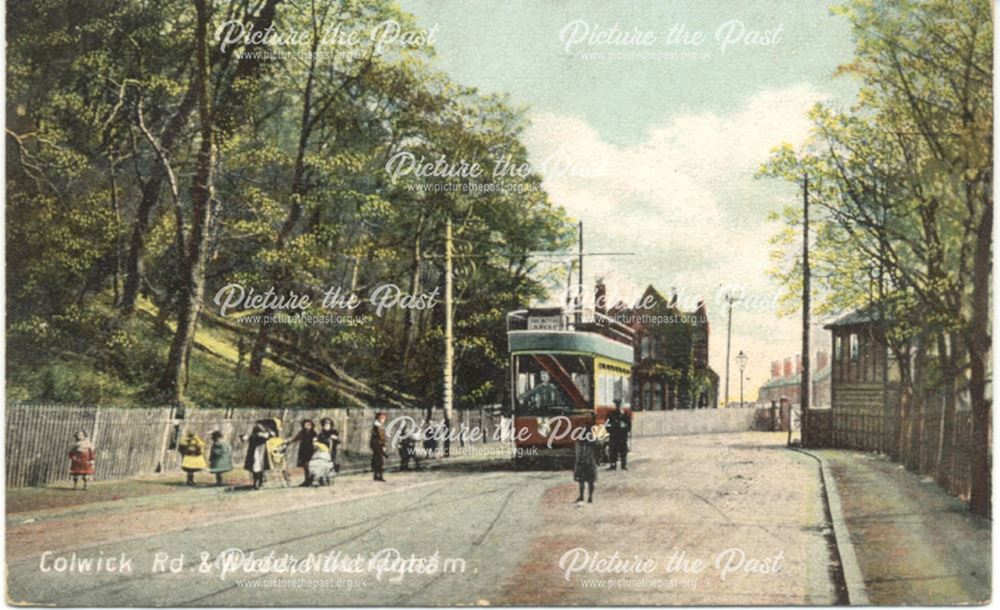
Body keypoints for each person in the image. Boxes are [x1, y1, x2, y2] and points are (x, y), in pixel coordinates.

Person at [573, 419, 599, 504]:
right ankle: (590, 497)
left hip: (582, 461)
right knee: (590, 481)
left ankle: (582, 496)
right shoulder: (592, 441)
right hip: (590, 461)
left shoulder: (579, 441)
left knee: (582, 481)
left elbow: (577, 452)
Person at [243, 421, 272, 490]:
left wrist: (267, 433)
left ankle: (259, 482)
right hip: (255, 455)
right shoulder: (253, 437)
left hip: (261, 455)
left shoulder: (264, 436)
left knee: (259, 468)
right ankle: (257, 482)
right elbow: (244, 438)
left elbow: (269, 435)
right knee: (255, 469)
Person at [289, 419, 317, 487]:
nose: (308, 426)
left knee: (309, 465)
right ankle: (307, 480)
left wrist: (315, 445)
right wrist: (289, 442)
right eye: (306, 424)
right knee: (304, 465)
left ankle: (311, 479)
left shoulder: (313, 433)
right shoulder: (302, 432)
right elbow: (296, 438)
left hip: (310, 450)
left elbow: (316, 441)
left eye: (309, 424)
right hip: (303, 450)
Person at [605, 399, 632, 470]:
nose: (618, 406)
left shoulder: (624, 414)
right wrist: (611, 429)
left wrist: (624, 428)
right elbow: (607, 425)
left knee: (623, 451)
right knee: (613, 451)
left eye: (619, 405)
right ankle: (613, 465)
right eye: (617, 405)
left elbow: (629, 425)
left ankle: (624, 465)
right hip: (614, 435)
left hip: (622, 436)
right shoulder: (611, 414)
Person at [370, 412, 388, 482]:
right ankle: (378, 476)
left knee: (377, 460)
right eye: (382, 418)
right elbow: (380, 437)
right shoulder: (378, 426)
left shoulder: (378, 426)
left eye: (384, 417)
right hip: (378, 445)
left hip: (377, 445)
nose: (383, 419)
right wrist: (383, 445)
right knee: (379, 461)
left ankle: (376, 475)